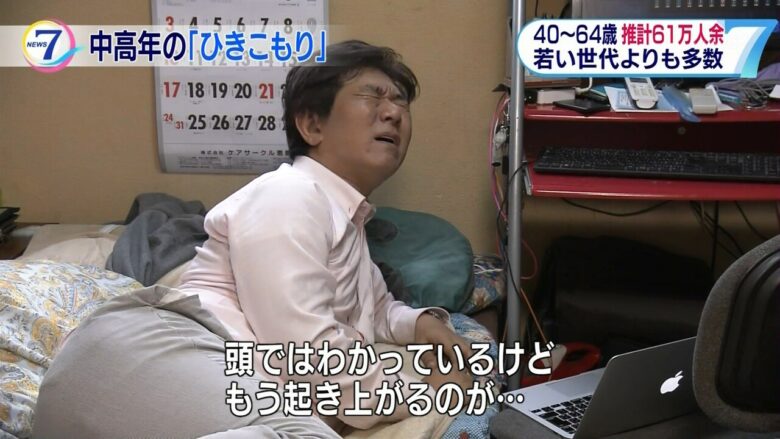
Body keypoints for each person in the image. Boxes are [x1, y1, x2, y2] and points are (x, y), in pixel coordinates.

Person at [33, 40, 471, 439]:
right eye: (373, 96)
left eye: (400, 101)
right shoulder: (291, 193)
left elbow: (375, 309)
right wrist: (423, 393)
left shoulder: (348, 222)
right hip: (154, 355)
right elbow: (306, 354)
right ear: (311, 125)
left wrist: (423, 324)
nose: (393, 112)